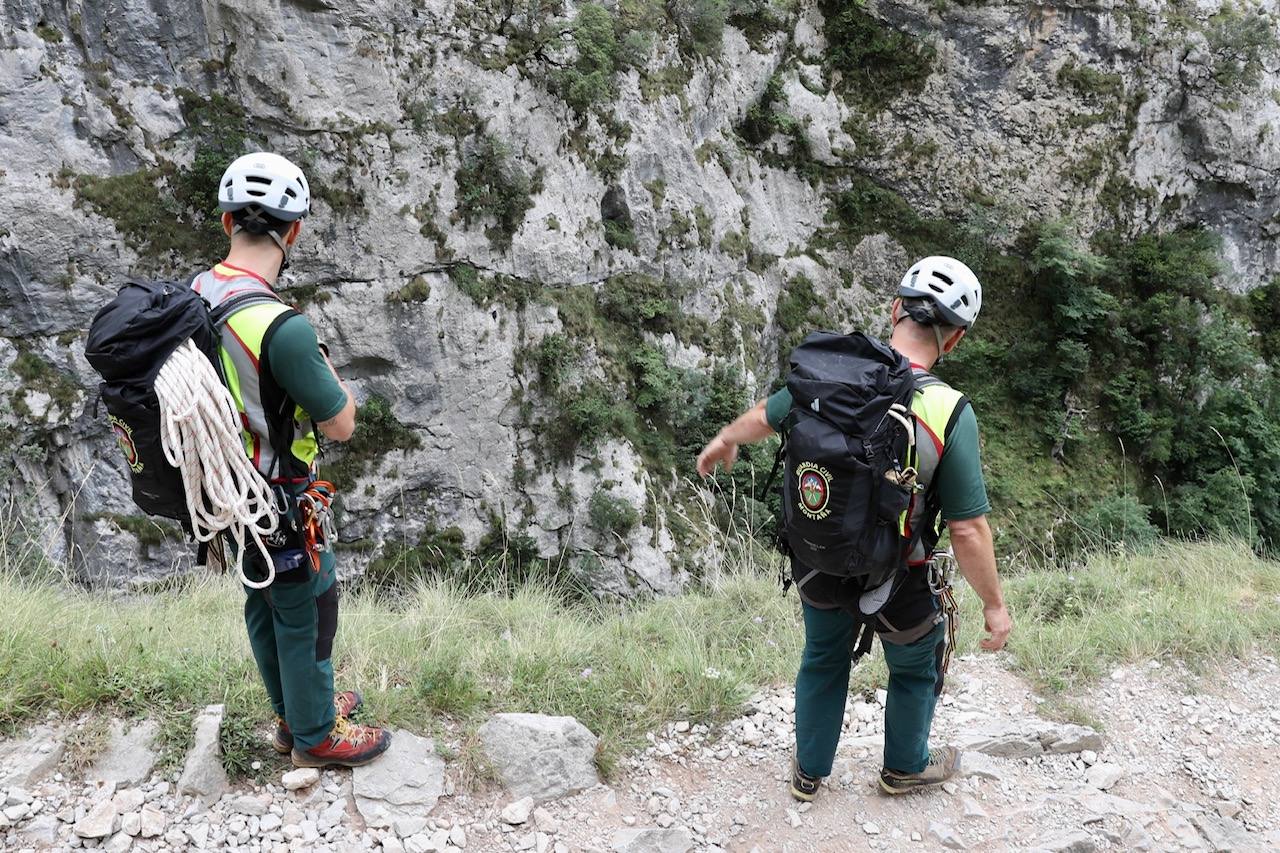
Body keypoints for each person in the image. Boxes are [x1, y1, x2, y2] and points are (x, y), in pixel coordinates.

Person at [696, 256, 1012, 798]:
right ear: (954, 340)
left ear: (894, 310)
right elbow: (967, 530)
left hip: (817, 557)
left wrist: (727, 438)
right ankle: (904, 767)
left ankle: (809, 773)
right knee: (915, 666)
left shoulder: (827, 373)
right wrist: (993, 605)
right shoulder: (947, 408)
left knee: (822, 657)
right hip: (901, 575)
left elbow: (768, 416)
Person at [197, 151, 391, 768]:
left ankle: (294, 713)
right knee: (309, 605)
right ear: (295, 230)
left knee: (264, 601)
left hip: (226, 489)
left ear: (228, 222)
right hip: (280, 493)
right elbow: (342, 421)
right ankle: (315, 737)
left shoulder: (196, 294)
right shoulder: (282, 327)